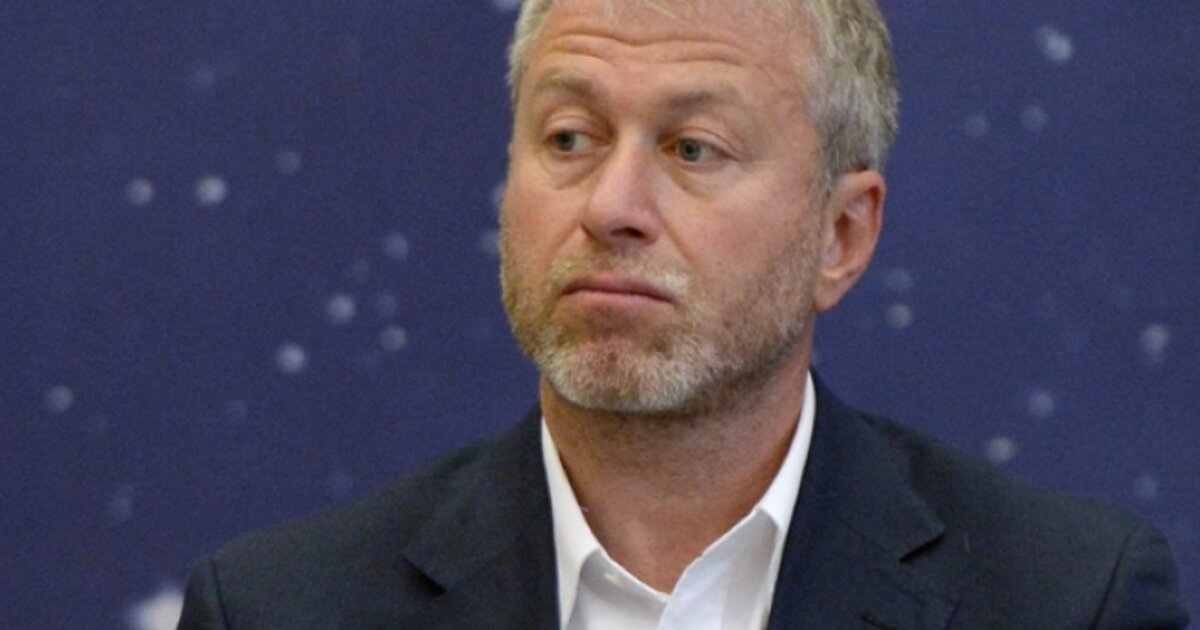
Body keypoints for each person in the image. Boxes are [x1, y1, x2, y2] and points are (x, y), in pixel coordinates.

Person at [178, 0, 1190, 627]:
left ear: (840, 236)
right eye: (569, 138)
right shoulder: (280, 610)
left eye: (693, 149)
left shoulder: (1065, 602)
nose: (610, 207)